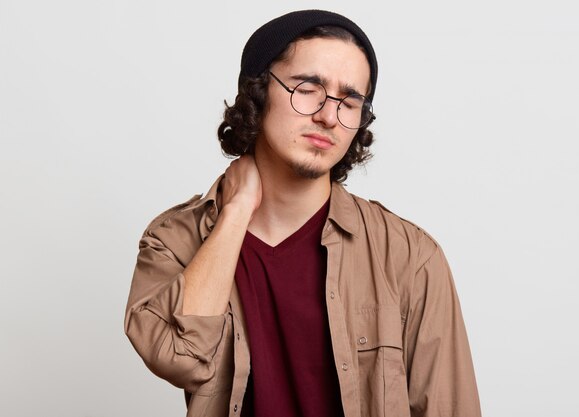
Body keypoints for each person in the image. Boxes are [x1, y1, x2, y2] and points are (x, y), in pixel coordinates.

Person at [124, 9, 481, 417]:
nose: (329, 116)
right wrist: (235, 213)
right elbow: (178, 356)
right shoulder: (174, 240)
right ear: (257, 92)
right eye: (308, 88)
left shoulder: (410, 257)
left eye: (350, 101)